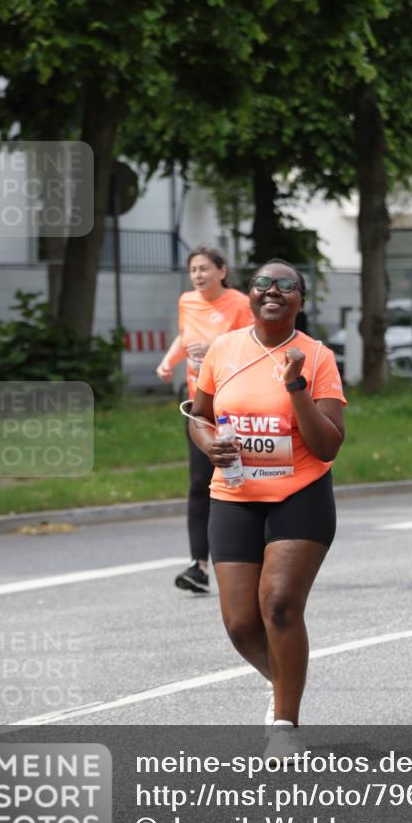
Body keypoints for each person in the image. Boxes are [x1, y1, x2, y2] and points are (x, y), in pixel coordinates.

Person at [188, 259, 346, 759]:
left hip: (299, 494)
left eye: (286, 286)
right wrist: (209, 443)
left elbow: (328, 445)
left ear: (300, 299)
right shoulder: (224, 349)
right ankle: (284, 688)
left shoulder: (317, 357)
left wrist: (296, 386)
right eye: (262, 284)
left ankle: (285, 722)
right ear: (249, 294)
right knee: (240, 623)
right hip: (234, 494)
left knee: (278, 605)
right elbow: (199, 417)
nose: (272, 291)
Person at [157, 247, 252, 594]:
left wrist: (213, 347)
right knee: (200, 484)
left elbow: (251, 346)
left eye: (204, 268)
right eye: (193, 269)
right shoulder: (187, 301)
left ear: (222, 271)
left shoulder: (241, 304)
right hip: (200, 403)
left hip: (237, 403)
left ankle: (252, 556)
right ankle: (198, 565)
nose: (197, 275)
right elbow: (186, 337)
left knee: (240, 480)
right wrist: (169, 361)